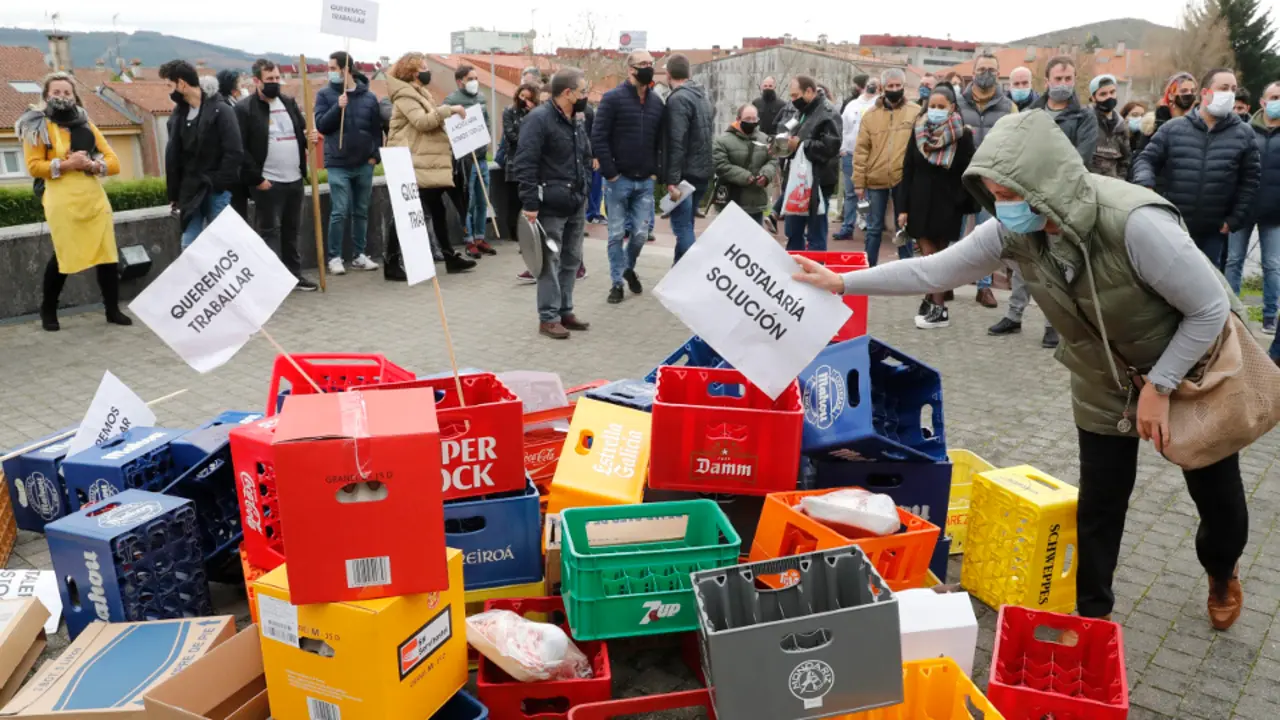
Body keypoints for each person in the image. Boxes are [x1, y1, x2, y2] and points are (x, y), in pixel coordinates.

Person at [795, 110, 1250, 632]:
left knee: (1215, 494)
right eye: (993, 194)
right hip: (1103, 375)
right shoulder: (1014, 230)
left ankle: (1221, 568)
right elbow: (932, 269)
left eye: (1010, 193)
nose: (1002, 206)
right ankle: (1093, 616)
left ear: (1045, 183)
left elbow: (1210, 309)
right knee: (1101, 502)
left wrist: (1162, 386)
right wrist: (843, 283)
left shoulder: (1135, 223)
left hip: (1187, 368)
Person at [994, 55, 1098, 348]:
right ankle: (1014, 315)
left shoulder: (1084, 117)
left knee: (1056, 264)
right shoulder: (1030, 113)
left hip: (1060, 201)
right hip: (1026, 196)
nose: (1063, 85)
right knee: (1023, 258)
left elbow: (1081, 158)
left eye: (1068, 79)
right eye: (1058, 79)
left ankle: (1054, 324)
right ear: (1047, 81)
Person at [18, 72, 132, 331]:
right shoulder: (36, 124)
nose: (61, 96)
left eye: (66, 92)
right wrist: (68, 164)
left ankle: (112, 309)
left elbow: (113, 162)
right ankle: (48, 310)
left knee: (107, 254)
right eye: (56, 92)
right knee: (63, 254)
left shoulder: (86, 123)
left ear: (74, 96)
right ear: (47, 95)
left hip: (93, 198)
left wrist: (91, 164)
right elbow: (34, 166)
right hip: (61, 199)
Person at [1133, 68, 1260, 272]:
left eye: (1233, 89)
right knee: (1168, 281)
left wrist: (1234, 219)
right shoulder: (1173, 129)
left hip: (1214, 230)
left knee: (1205, 285)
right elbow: (1146, 159)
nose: (1229, 94)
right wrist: (1145, 183)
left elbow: (1251, 180)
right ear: (1205, 93)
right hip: (1173, 226)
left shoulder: (1244, 134)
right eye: (1223, 88)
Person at [515, 68, 593, 340]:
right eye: (582, 91)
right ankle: (548, 318)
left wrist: (586, 185)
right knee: (550, 261)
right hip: (550, 204)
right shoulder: (539, 119)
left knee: (571, 259)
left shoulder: (577, 119)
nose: (586, 96)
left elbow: (584, 154)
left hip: (575, 201)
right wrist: (530, 202)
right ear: (567, 93)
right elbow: (525, 162)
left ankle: (565, 310)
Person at [385, 52, 477, 274]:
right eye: (424, 67)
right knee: (407, 211)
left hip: (425, 161)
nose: (428, 71)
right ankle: (391, 261)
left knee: (437, 209)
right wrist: (449, 110)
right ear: (413, 72)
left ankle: (449, 256)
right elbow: (422, 122)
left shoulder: (420, 93)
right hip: (412, 161)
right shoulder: (405, 96)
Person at [898, 85, 977, 329]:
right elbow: (908, 168)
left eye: (941, 107)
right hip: (919, 200)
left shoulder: (963, 135)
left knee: (939, 255)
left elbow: (969, 169)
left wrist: (960, 200)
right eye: (932, 106)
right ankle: (931, 299)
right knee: (928, 253)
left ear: (952, 108)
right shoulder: (918, 130)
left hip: (947, 202)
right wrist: (903, 207)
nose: (935, 111)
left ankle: (939, 306)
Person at [235, 59, 318, 291]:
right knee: (269, 232)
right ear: (256, 81)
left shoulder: (288, 103)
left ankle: (294, 275)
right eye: (269, 79)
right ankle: (272, 283)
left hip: (294, 178)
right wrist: (257, 180)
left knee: (291, 231)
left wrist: (309, 137)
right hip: (268, 183)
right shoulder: (244, 109)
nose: (274, 83)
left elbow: (302, 133)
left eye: (276, 78)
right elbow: (241, 149)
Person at [592, 50, 665, 305]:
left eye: (650, 63)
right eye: (642, 64)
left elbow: (660, 140)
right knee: (614, 234)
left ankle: (627, 267)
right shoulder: (612, 99)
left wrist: (656, 170)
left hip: (645, 180)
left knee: (640, 234)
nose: (648, 67)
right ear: (630, 69)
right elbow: (598, 136)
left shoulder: (657, 102)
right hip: (618, 179)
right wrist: (610, 173)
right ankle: (616, 283)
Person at [159, 59, 243, 251]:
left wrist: (220, 183)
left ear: (181, 83)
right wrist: (175, 193)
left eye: (170, 85)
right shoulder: (178, 115)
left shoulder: (221, 110)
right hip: (190, 190)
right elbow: (174, 156)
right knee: (189, 245)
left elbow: (234, 150)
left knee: (223, 244)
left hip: (215, 189)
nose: (169, 91)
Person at [958, 54, 1018, 309]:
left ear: (999, 73)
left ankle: (984, 287)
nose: (986, 73)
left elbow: (1016, 143)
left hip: (991, 179)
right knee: (954, 232)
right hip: (959, 177)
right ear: (973, 73)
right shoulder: (957, 103)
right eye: (982, 69)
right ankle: (946, 283)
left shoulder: (1009, 107)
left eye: (991, 69)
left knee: (987, 235)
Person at [315, 51, 382, 275]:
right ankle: (334, 257)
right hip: (337, 163)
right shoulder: (325, 95)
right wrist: (338, 107)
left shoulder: (369, 97)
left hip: (364, 163)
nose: (330, 72)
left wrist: (375, 157)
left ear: (346, 70)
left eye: (333, 68)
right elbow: (322, 126)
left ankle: (359, 255)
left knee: (361, 210)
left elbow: (376, 130)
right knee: (339, 211)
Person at [1227, 81, 1280, 335]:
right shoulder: (1245, 130)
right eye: (1274, 97)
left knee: (1272, 264)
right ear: (1262, 101)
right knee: (1233, 260)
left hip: (1275, 213)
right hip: (1244, 208)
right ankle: (1231, 311)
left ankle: (1270, 314)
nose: (1277, 102)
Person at [854, 69, 918, 265]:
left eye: (898, 86)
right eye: (891, 86)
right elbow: (861, 149)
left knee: (904, 226)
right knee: (873, 228)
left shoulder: (915, 112)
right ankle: (869, 268)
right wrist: (859, 182)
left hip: (903, 178)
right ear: (882, 88)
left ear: (904, 87)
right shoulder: (870, 115)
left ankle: (906, 270)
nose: (895, 89)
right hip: (876, 177)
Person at [660, 54, 714, 264]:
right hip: (702, 171)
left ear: (668, 74)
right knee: (687, 225)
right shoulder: (702, 96)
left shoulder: (678, 99)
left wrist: (672, 179)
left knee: (682, 228)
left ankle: (696, 270)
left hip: (685, 175)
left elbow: (676, 141)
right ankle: (678, 272)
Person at [780, 75, 842, 251]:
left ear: (809, 91)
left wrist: (800, 144)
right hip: (797, 180)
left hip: (818, 181)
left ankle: (816, 273)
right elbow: (789, 130)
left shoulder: (828, 113)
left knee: (815, 234)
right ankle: (793, 271)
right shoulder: (803, 110)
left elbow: (831, 147)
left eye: (795, 95)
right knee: (793, 232)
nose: (793, 101)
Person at [444, 65, 497, 258]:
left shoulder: (481, 98)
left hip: (481, 158)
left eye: (476, 78)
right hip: (465, 161)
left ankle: (480, 237)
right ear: (460, 82)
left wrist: (486, 141)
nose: (475, 82)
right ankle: (468, 240)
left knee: (483, 200)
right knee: (469, 202)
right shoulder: (451, 101)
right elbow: (448, 129)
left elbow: (486, 122)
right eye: (470, 78)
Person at [713, 103, 777, 224]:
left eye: (754, 119)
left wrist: (766, 175)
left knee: (754, 240)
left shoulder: (764, 139)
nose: (752, 122)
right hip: (731, 201)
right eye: (747, 119)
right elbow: (721, 166)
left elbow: (772, 160)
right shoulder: (722, 141)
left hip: (756, 202)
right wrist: (745, 176)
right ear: (738, 119)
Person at [835, 79, 878, 241]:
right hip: (851, 154)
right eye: (870, 83)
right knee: (850, 193)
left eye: (875, 84)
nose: (872, 87)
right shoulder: (852, 104)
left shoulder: (880, 104)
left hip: (873, 156)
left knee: (871, 193)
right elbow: (843, 127)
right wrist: (842, 148)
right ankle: (847, 227)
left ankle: (870, 226)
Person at [502, 83, 540, 244]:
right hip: (515, 160)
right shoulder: (509, 111)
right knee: (514, 199)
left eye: (527, 98)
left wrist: (532, 113)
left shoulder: (536, 114)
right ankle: (513, 231)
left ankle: (530, 231)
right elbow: (511, 135)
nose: (523, 100)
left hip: (533, 161)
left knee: (530, 197)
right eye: (521, 96)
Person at [1138, 72, 1198, 152]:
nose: (1189, 94)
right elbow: (1142, 156)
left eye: (1193, 91)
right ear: (1171, 95)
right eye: (1184, 91)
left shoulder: (1198, 122)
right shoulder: (1152, 124)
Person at [1088, 74, 1130, 180]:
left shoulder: (1121, 126)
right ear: (1093, 98)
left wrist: (1121, 180)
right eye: (1103, 94)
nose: (1109, 97)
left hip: (1113, 187)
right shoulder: (1085, 121)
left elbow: (1125, 160)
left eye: (1112, 92)